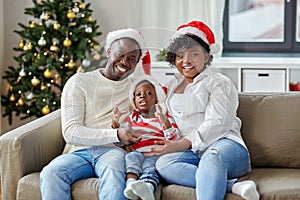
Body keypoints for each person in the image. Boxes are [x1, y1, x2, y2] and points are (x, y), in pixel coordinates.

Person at [152, 20, 260, 200]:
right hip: (195, 153)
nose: (186, 61)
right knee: (164, 163)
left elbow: (218, 123)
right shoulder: (172, 86)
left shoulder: (219, 82)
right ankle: (233, 186)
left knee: (212, 158)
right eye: (180, 55)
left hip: (226, 146)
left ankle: (218, 178)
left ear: (206, 56)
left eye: (194, 54)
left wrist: (182, 144)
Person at [40, 28, 151, 200]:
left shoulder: (136, 88)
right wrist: (116, 134)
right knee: (51, 173)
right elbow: (70, 132)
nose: (124, 62)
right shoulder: (80, 82)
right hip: (79, 151)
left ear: (136, 64)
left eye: (132, 59)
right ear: (108, 52)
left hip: (113, 152)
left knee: (115, 173)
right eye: (120, 54)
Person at [112, 75, 180, 200]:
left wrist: (165, 122)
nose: (143, 96)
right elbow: (121, 140)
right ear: (134, 101)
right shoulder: (132, 118)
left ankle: (148, 187)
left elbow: (174, 139)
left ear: (156, 99)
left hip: (156, 153)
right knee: (131, 158)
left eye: (148, 93)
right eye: (138, 95)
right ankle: (131, 184)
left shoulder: (164, 117)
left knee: (150, 167)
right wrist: (116, 123)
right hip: (137, 152)